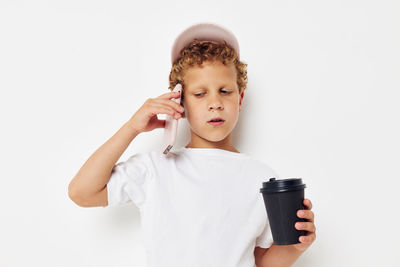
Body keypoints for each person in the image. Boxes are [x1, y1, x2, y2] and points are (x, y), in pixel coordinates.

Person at [68, 22, 316, 267]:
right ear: (180, 102)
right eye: (199, 94)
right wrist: (132, 128)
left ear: (240, 99)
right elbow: (82, 193)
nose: (215, 103)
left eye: (225, 91)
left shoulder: (262, 178)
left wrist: (295, 247)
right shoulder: (155, 169)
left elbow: (262, 262)